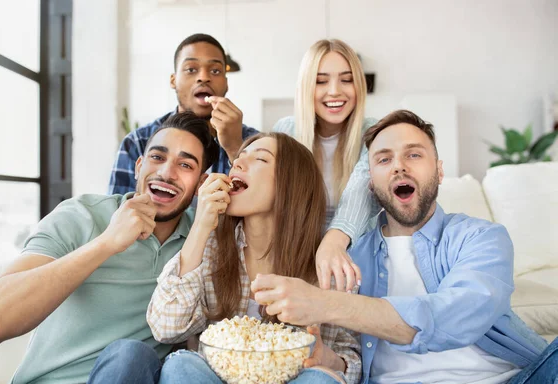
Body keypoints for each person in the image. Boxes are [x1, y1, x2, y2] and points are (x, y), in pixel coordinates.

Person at [252, 110, 557, 383]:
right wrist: (329, 360)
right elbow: (345, 359)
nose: (398, 167)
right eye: (384, 159)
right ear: (370, 182)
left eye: (413, 155)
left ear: (439, 171)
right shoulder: (348, 259)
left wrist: (322, 302)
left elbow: (457, 317)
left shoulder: (480, 237)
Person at [0, 112, 220, 384]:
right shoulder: (81, 215)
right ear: (138, 167)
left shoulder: (202, 243)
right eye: (157, 157)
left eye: (185, 165)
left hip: (131, 374)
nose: (166, 172)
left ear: (200, 184)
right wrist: (107, 242)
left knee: (134, 355)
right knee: (131, 354)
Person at [147, 132, 362, 384]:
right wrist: (200, 226)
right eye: (238, 159)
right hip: (215, 378)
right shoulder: (209, 247)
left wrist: (329, 359)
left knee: (321, 380)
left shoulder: (328, 264)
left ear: (291, 183)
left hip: (293, 379)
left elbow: (351, 361)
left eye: (260, 159)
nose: (237, 163)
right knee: (181, 365)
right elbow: (166, 328)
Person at [273, 39, 378, 293]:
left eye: (346, 79)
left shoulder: (374, 132)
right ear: (306, 86)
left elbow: (361, 191)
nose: (334, 91)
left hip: (356, 261)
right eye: (321, 81)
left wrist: (334, 240)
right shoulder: (286, 130)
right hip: (294, 260)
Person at [109, 33, 259, 195]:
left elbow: (270, 211)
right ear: (173, 80)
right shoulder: (138, 142)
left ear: (226, 83)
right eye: (191, 69)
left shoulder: (256, 143)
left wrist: (235, 148)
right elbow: (119, 214)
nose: (203, 77)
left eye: (215, 71)